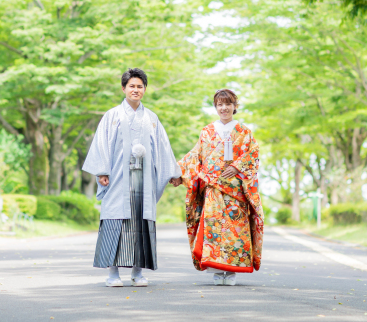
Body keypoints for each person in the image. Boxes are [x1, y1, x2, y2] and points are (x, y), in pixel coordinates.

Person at [82, 68, 182, 287]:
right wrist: (102, 170)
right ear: (123, 88)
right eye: (132, 86)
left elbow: (163, 147)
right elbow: (102, 142)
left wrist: (174, 173)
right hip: (118, 176)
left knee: (140, 221)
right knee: (116, 220)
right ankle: (113, 274)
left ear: (145, 89)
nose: (136, 90)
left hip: (144, 179)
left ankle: (137, 273)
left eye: (140, 86)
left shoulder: (151, 118)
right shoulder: (112, 115)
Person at [170, 89, 264, 286]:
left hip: (235, 191)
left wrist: (237, 167)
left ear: (235, 106)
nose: (224, 108)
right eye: (220, 104)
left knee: (234, 229)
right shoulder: (207, 131)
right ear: (215, 107)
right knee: (213, 228)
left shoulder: (244, 132)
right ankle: (215, 268)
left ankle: (231, 272)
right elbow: (195, 156)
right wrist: (177, 172)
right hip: (212, 188)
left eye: (228, 104)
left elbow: (253, 155)